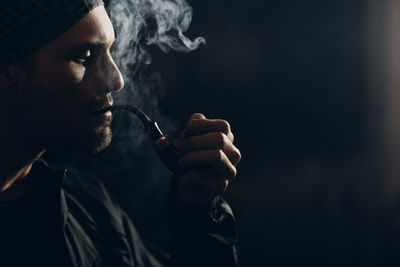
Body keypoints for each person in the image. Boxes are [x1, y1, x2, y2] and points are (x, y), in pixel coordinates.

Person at [0, 0, 241, 266]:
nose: (116, 81)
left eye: (109, 51)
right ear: (5, 72)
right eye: (84, 57)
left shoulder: (89, 209)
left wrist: (198, 210)